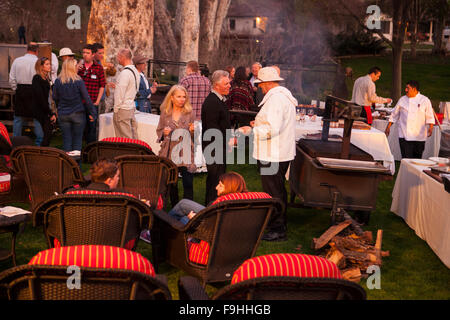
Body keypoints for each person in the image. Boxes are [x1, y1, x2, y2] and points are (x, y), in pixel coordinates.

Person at [239, 67, 297, 242]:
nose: (260, 88)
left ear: (267, 83)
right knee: (277, 190)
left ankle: (277, 229)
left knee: (274, 193)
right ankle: (276, 225)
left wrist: (251, 130)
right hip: (278, 152)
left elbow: (272, 129)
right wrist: (257, 123)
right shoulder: (280, 97)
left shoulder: (276, 100)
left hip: (273, 153)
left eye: (260, 84)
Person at [156, 85, 196, 205]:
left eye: (184, 97)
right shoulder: (165, 113)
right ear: (172, 98)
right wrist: (164, 133)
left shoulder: (189, 113)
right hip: (170, 151)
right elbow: (159, 130)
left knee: (188, 181)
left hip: (185, 150)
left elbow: (193, 136)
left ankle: (188, 207)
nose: (182, 99)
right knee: (172, 182)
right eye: (179, 97)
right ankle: (175, 207)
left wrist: (193, 131)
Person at [168, 171, 247, 225]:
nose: (216, 187)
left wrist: (195, 219)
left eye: (220, 185)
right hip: (213, 222)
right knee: (184, 215)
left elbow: (211, 226)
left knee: (183, 207)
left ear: (229, 188)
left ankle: (162, 226)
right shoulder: (243, 204)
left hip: (206, 230)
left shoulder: (223, 204)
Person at [201, 70, 232, 205]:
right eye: (226, 83)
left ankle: (213, 206)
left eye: (229, 83)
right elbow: (213, 129)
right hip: (214, 147)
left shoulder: (219, 100)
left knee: (218, 178)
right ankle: (210, 207)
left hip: (218, 146)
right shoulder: (212, 102)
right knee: (215, 179)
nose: (229, 86)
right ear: (216, 85)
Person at [53, 59, 95, 152]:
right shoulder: (78, 81)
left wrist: (59, 106)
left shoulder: (58, 81)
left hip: (63, 113)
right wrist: (92, 113)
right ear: (72, 67)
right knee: (77, 141)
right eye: (76, 66)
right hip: (77, 113)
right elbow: (87, 98)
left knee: (67, 140)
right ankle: (76, 165)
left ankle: (67, 165)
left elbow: (54, 97)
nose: (78, 67)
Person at [385, 80, 435, 159]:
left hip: (419, 135)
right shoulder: (402, 99)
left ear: (414, 89)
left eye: (407, 88)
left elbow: (430, 115)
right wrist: (388, 127)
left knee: (417, 159)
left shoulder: (425, 100)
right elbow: (394, 114)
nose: (405, 90)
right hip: (404, 134)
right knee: (406, 159)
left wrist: (431, 127)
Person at [9, 43, 44, 145]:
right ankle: (39, 144)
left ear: (27, 49)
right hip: (35, 91)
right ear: (37, 51)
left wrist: (17, 89)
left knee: (18, 118)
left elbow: (12, 79)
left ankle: (16, 144)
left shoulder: (17, 61)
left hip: (21, 91)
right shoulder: (39, 62)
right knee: (38, 118)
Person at [78, 44, 106, 143]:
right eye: (84, 53)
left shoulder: (98, 68)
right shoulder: (79, 68)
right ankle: (78, 151)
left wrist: (97, 101)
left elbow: (102, 85)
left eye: (88, 53)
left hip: (93, 103)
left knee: (92, 129)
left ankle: (90, 152)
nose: (85, 55)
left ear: (93, 54)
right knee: (80, 128)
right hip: (80, 103)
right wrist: (75, 69)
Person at [113, 48, 140, 139]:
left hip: (123, 109)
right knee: (133, 136)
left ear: (122, 57)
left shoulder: (125, 73)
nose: (117, 59)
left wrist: (116, 109)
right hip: (131, 107)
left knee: (123, 138)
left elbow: (120, 94)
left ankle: (126, 153)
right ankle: (135, 152)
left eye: (118, 57)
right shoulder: (136, 71)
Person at [31, 57, 56, 147]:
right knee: (41, 137)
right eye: (47, 64)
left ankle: (44, 156)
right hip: (39, 112)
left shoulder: (47, 78)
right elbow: (40, 98)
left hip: (46, 111)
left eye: (50, 64)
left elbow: (50, 97)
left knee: (47, 136)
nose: (49, 66)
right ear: (41, 66)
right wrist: (50, 112)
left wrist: (52, 112)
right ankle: (37, 157)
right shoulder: (37, 78)